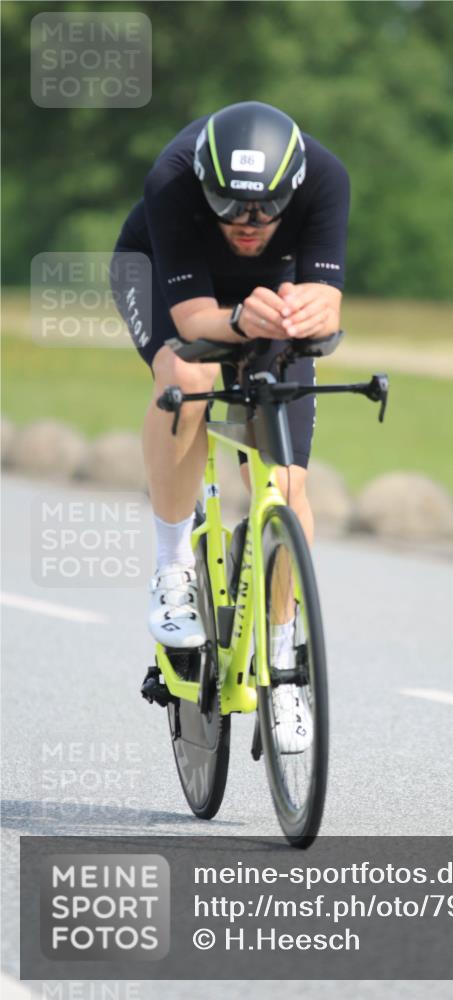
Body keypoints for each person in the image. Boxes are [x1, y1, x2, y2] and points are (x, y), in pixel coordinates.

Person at [111, 100, 350, 751]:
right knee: (188, 379)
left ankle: (284, 662)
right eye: (231, 206)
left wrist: (306, 313)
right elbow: (193, 324)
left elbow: (329, 300)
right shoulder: (172, 177)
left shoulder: (327, 177)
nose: (249, 224)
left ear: (293, 188)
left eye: (267, 209)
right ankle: (172, 568)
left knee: (290, 490)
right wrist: (245, 320)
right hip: (167, 279)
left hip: (269, 300)